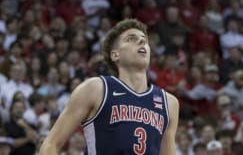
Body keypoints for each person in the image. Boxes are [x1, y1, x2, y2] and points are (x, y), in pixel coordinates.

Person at [39, 19, 180, 155]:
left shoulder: (169, 103)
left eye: (144, 39)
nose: (142, 41)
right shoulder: (95, 89)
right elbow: (51, 144)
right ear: (115, 55)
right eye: (131, 38)